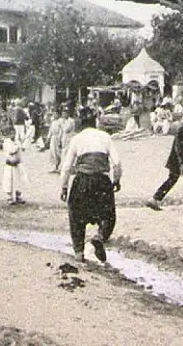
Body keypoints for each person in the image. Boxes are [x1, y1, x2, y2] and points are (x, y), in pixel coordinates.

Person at [59, 107, 122, 263]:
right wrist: (116, 180)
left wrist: (64, 187)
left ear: (80, 122)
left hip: (82, 181)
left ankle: (79, 253)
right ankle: (99, 238)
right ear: (95, 121)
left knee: (76, 216)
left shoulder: (76, 139)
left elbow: (66, 167)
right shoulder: (105, 137)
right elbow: (117, 162)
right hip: (102, 181)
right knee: (108, 215)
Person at [145, 105, 183, 211]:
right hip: (182, 160)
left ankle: (155, 199)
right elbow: (180, 148)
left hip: (180, 160)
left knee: (174, 179)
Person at [2, 137, 29, 204]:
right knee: (9, 181)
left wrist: (19, 146)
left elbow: (20, 150)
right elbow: (11, 151)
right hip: (10, 165)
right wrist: (17, 147)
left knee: (19, 180)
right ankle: (9, 198)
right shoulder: (6, 142)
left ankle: (18, 196)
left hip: (17, 165)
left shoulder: (17, 140)